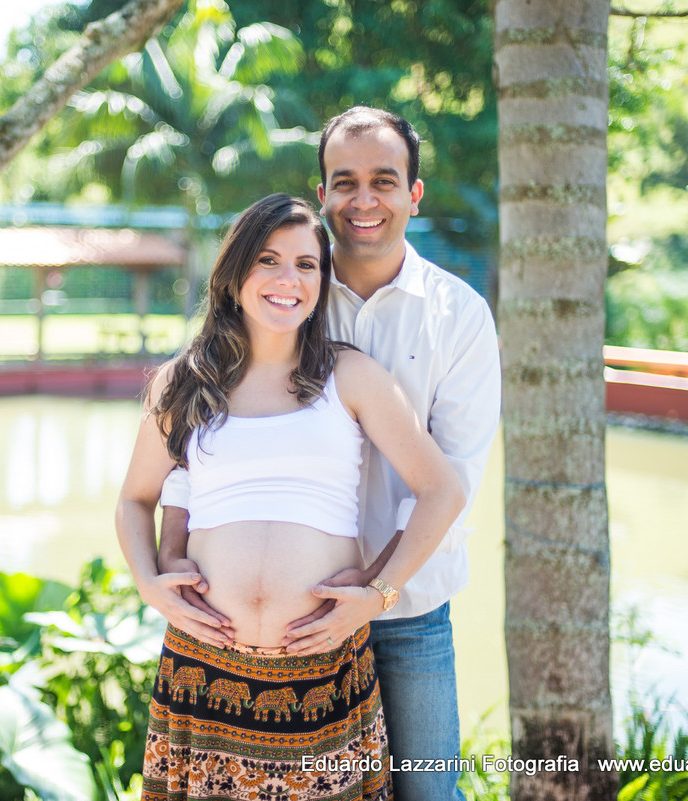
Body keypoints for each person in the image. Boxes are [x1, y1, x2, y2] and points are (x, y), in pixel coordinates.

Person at [158, 108, 502, 801]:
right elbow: (198, 450)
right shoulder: (290, 292)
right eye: (345, 182)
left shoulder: (457, 315)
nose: (364, 200)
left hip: (407, 608)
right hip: (269, 639)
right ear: (323, 194)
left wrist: (371, 592)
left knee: (428, 793)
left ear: (414, 193)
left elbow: (451, 478)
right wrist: (168, 556)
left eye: (384, 180)